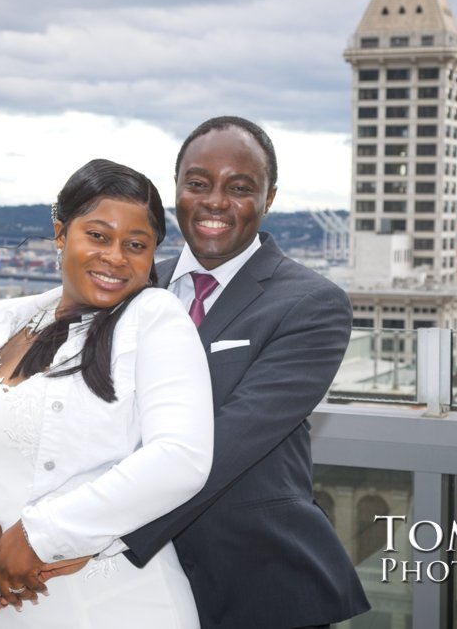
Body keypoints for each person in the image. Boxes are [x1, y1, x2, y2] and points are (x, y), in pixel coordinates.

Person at [0, 158, 213, 628]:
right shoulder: (3, 320)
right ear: (60, 232)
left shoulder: (154, 317)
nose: (115, 256)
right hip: (1, 609)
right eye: (97, 235)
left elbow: (181, 458)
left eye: (135, 245)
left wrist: (39, 535)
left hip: (115, 606)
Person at [120, 116, 370, 629]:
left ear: (269, 198)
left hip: (259, 590)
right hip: (140, 593)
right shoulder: (137, 290)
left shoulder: (311, 304)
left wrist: (89, 536)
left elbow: (222, 446)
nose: (214, 201)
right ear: (176, 191)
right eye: (197, 184)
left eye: (239, 188)